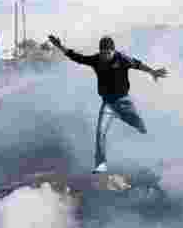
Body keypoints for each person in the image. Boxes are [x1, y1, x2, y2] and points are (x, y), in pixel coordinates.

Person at [48, 34, 168, 173]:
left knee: (140, 126)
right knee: (100, 133)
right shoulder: (96, 59)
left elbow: (138, 64)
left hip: (124, 103)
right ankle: (101, 164)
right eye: (103, 52)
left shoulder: (122, 59)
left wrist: (152, 71)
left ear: (113, 50)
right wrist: (60, 46)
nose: (105, 55)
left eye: (108, 52)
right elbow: (77, 57)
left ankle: (157, 151)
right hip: (108, 104)